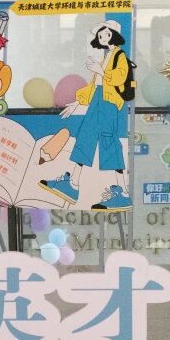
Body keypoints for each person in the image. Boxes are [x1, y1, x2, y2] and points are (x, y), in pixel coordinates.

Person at [39, 19, 132, 211]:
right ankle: (73, 184)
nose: (103, 37)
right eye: (100, 35)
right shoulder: (106, 56)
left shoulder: (119, 55)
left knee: (109, 144)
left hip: (108, 104)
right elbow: (94, 85)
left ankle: (123, 193)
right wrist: (78, 102)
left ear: (114, 36)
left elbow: (119, 78)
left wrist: (101, 70)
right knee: (85, 138)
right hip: (98, 100)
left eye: (106, 34)